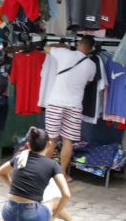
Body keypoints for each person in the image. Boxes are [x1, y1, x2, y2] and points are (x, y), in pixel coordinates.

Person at [0, 127, 81, 221]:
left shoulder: (19, 158)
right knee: (55, 201)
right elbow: (66, 194)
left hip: (8, 215)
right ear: (49, 145)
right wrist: (52, 218)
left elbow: (0, 172)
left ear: (28, 145)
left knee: (43, 199)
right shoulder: (52, 165)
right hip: (32, 219)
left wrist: (12, 187)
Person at [42, 36, 98, 178]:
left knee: (51, 140)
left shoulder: (64, 53)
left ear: (78, 44)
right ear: (91, 49)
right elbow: (88, 82)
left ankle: (43, 173)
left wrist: (60, 45)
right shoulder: (92, 65)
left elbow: (45, 48)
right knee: (68, 141)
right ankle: (62, 174)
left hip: (56, 102)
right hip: (74, 105)